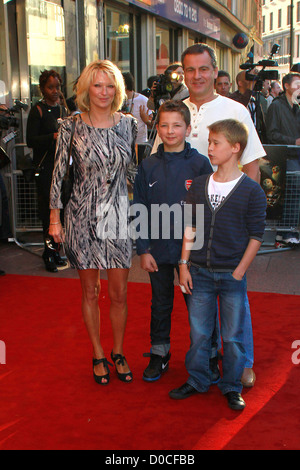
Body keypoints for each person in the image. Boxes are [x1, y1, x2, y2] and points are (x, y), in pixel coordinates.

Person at [152, 43, 266, 387]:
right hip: (183, 225)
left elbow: (252, 164)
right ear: (182, 73)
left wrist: (246, 218)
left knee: (233, 293)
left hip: (226, 222)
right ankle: (207, 360)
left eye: (203, 69)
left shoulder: (234, 109)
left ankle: (241, 360)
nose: (197, 76)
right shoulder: (174, 111)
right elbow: (158, 164)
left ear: (215, 71)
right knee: (196, 299)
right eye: (190, 70)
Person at [49, 60, 137, 385]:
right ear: (86, 89)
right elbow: (58, 175)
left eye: (110, 85)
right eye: (97, 85)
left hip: (117, 216)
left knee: (119, 292)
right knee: (90, 291)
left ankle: (118, 351)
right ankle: (98, 352)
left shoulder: (128, 124)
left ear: (118, 90)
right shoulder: (72, 125)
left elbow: (132, 174)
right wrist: (54, 217)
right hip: (81, 216)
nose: (103, 92)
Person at [169, 119, 267, 410]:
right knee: (199, 333)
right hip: (197, 272)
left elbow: (256, 236)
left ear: (235, 148)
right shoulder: (199, 185)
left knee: (233, 337)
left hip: (231, 276)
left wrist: (239, 272)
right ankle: (198, 379)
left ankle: (231, 385)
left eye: (216, 143)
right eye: (209, 142)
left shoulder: (252, 191)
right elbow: (190, 226)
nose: (209, 148)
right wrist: (183, 265)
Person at [133, 100, 212, 381]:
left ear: (188, 129)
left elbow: (207, 209)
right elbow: (138, 208)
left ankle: (209, 355)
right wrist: (143, 248)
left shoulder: (201, 163)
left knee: (199, 305)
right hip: (158, 250)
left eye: (176, 125)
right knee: (161, 304)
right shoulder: (148, 165)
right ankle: (160, 353)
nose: (170, 131)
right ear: (157, 128)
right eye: (164, 125)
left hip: (193, 252)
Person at [26, 69, 68, 273]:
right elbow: (30, 140)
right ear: (42, 89)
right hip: (45, 169)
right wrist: (52, 137)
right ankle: (48, 252)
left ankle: (57, 251)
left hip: (62, 169)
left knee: (61, 210)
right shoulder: (38, 111)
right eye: (50, 87)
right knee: (48, 213)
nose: (54, 91)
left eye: (57, 87)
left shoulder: (62, 110)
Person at [266, 72, 300, 245]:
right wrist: (293, 141)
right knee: (293, 192)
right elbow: (271, 133)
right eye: (297, 84)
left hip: (296, 155)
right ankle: (287, 232)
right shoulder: (277, 106)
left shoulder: (297, 107)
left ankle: (286, 231)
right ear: (286, 86)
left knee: (294, 193)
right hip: (285, 155)